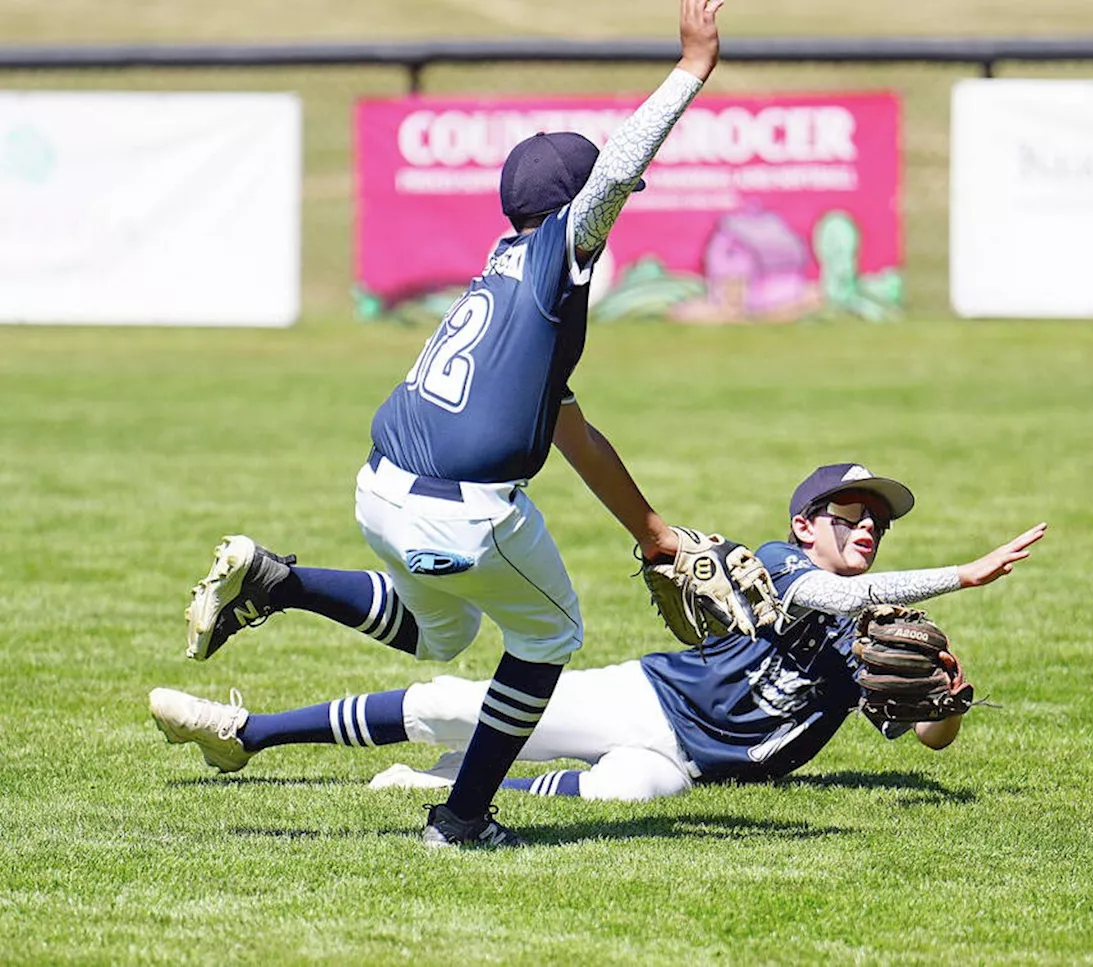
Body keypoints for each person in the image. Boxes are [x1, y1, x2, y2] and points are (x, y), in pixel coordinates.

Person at [179, 0, 745, 848]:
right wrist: (693, 68)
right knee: (551, 635)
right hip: (463, 506)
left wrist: (654, 530)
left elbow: (574, 434)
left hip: (382, 487)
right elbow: (621, 166)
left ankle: (279, 581)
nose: (622, 201)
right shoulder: (558, 256)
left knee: (441, 629)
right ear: (570, 207)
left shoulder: (504, 278)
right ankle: (463, 816)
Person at [155, 462, 1047, 803]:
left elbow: (925, 734)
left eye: (877, 522)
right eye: (850, 513)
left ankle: (446, 788)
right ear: (806, 524)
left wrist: (948, 695)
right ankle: (245, 734)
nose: (867, 528)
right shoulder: (782, 564)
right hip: (647, 698)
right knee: (449, 701)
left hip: (690, 763)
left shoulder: (881, 628)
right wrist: (962, 573)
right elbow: (828, 596)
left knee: (624, 797)